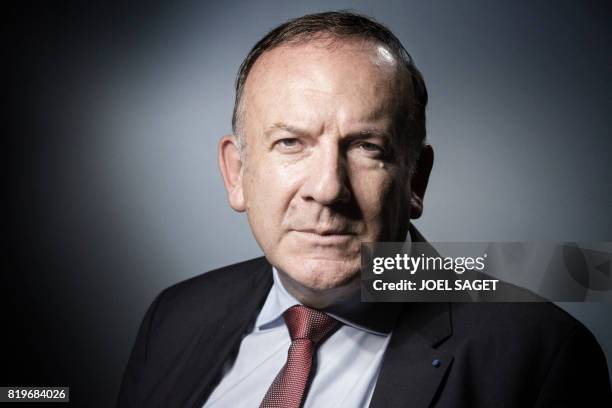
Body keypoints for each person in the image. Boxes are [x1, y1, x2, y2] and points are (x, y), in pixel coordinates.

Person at [117, 11, 611, 407]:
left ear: (415, 179)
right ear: (237, 173)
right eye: (291, 142)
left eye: (367, 148)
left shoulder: (542, 354)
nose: (328, 189)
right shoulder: (175, 316)